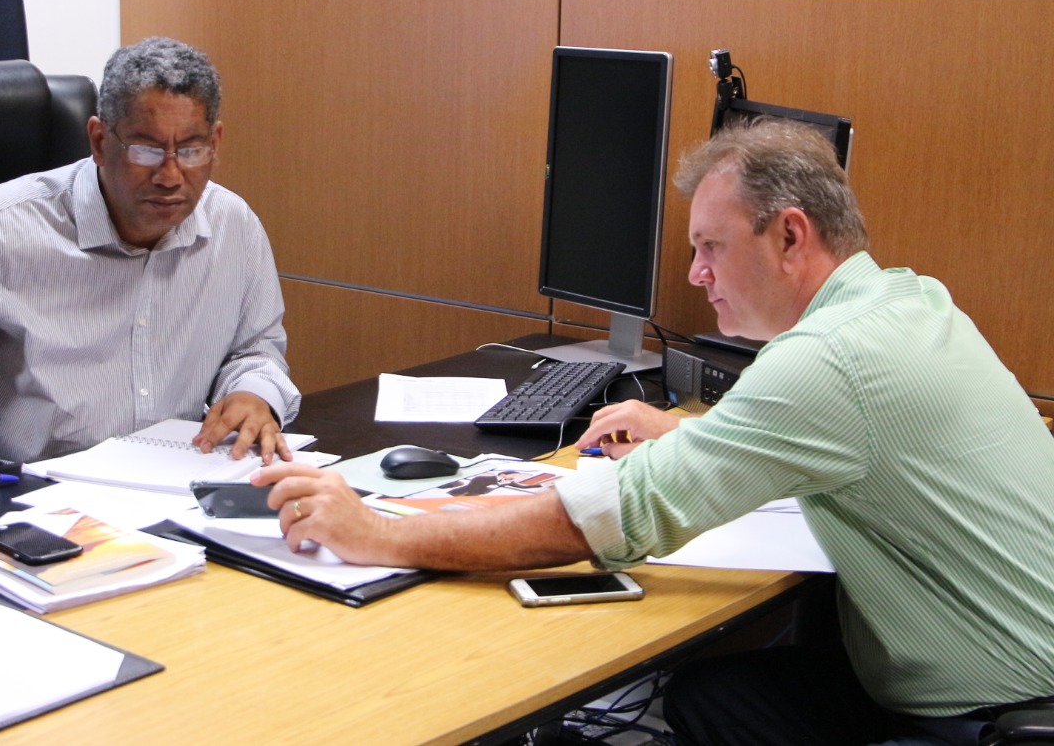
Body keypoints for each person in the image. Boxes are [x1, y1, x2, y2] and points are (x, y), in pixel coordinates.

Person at [252, 120, 1054, 744]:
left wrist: (381, 534)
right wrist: (686, 435)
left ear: (790, 235)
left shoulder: (828, 361)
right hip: (1004, 672)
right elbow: (838, 434)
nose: (697, 274)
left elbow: (602, 517)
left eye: (711, 247)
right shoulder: (907, 299)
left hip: (993, 713)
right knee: (710, 698)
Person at [0, 37, 301, 512]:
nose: (170, 175)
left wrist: (253, 392)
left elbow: (255, 347)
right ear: (99, 141)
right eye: (146, 149)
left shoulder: (233, 225)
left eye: (192, 149)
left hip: (176, 495)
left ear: (215, 143)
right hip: (18, 499)